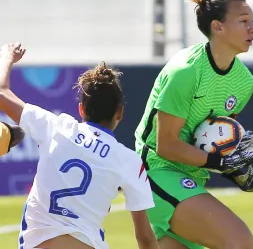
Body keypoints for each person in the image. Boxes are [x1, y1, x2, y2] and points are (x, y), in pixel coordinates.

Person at [134, 0, 253, 249]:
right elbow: (166, 145)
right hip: (155, 171)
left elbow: (213, 139)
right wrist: (222, 164)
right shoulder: (186, 71)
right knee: (239, 240)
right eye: (244, 21)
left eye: (252, 20)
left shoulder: (245, 81)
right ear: (217, 27)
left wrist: (237, 166)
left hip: (191, 176)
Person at [0, 43, 159, 249]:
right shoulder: (130, 161)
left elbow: (2, 93)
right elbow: (145, 238)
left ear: (81, 109)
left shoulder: (57, 126)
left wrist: (6, 57)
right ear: (119, 113)